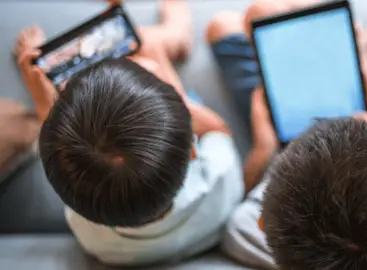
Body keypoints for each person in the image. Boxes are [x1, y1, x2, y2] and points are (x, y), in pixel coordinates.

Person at [14, 0, 267, 266]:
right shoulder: (218, 179)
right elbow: (217, 129)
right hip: (202, 215)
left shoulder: (90, 232)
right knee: (149, 47)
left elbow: (65, 158)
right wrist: (163, 76)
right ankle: (177, 27)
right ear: (193, 149)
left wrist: (44, 103)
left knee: (139, 60)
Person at [206, 0, 367, 268]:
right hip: (340, 127)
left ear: (264, 224)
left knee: (241, 19)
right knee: (259, 17)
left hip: (283, 138)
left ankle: (354, 69)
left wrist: (262, 150)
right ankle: (361, 65)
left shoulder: (243, 232)